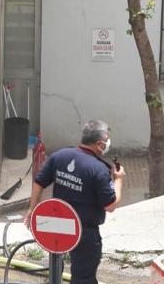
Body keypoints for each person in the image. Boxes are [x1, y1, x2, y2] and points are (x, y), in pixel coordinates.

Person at [24, 120, 125, 284]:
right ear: (100, 144)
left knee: (55, 265)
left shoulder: (60, 156)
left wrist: (31, 208)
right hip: (85, 232)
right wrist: (119, 180)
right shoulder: (99, 169)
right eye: (106, 140)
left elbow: (39, 181)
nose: (108, 143)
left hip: (57, 225)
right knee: (83, 278)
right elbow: (111, 205)